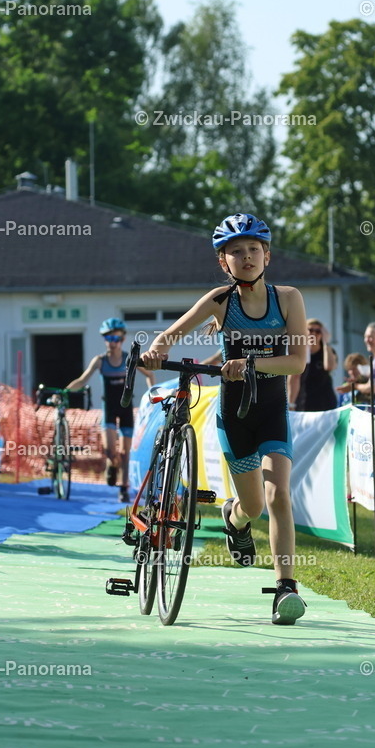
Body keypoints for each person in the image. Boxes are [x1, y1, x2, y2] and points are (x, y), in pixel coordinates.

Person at [140, 213, 309, 625]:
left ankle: (286, 589)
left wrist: (249, 363)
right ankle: (233, 519)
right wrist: (156, 350)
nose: (246, 256)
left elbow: (297, 362)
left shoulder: (288, 298)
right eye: (236, 251)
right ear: (223, 261)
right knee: (251, 506)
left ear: (267, 256)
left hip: (272, 412)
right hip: (234, 416)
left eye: (254, 249)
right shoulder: (220, 300)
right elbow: (170, 335)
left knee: (278, 496)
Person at [66, 319, 154, 503]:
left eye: (116, 338)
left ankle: (123, 488)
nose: (112, 342)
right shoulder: (100, 361)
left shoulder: (130, 359)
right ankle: (111, 464)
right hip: (109, 410)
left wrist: (152, 396)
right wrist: (64, 392)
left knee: (125, 453)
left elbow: (150, 374)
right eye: (108, 338)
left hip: (126, 409)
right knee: (110, 451)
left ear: (122, 339)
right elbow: (82, 380)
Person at [336, 322, 375, 423]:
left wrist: (354, 386)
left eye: (371, 337)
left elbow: (372, 388)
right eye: (365, 337)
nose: (366, 340)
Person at [287, 319, 338, 412]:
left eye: (318, 331)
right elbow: (293, 377)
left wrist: (326, 343)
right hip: (303, 402)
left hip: (325, 403)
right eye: (310, 330)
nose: (313, 333)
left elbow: (330, 366)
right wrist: (291, 403)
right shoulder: (299, 352)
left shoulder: (327, 351)